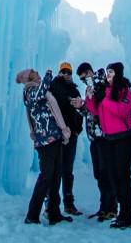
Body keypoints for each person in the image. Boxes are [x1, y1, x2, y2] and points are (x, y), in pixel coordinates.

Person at [16, 67, 73, 225]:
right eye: (32, 71)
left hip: (54, 137)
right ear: (29, 77)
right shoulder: (31, 91)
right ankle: (32, 215)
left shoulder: (34, 90)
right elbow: (41, 93)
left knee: (55, 176)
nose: (36, 71)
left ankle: (54, 213)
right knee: (46, 176)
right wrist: (48, 75)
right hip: (45, 140)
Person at [86, 61, 131, 229]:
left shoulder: (125, 91)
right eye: (107, 71)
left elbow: (122, 111)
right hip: (109, 140)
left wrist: (104, 99)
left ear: (119, 73)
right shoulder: (104, 91)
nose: (108, 74)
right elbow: (94, 111)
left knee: (123, 176)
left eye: (112, 72)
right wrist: (90, 97)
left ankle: (128, 215)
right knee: (114, 177)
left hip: (124, 138)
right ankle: (122, 213)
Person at [76, 62, 116, 220]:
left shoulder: (103, 83)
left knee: (106, 172)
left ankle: (111, 207)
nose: (84, 81)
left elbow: (103, 107)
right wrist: (80, 106)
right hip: (94, 137)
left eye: (84, 77)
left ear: (89, 72)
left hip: (105, 136)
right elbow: (90, 111)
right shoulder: (89, 88)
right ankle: (104, 207)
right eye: (81, 80)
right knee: (99, 174)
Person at [48, 62, 85, 215]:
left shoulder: (75, 90)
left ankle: (69, 203)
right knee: (55, 170)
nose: (65, 74)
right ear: (59, 73)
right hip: (58, 135)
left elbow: (79, 111)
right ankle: (51, 204)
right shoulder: (53, 87)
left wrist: (77, 129)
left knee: (67, 171)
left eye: (68, 72)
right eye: (63, 71)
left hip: (72, 136)